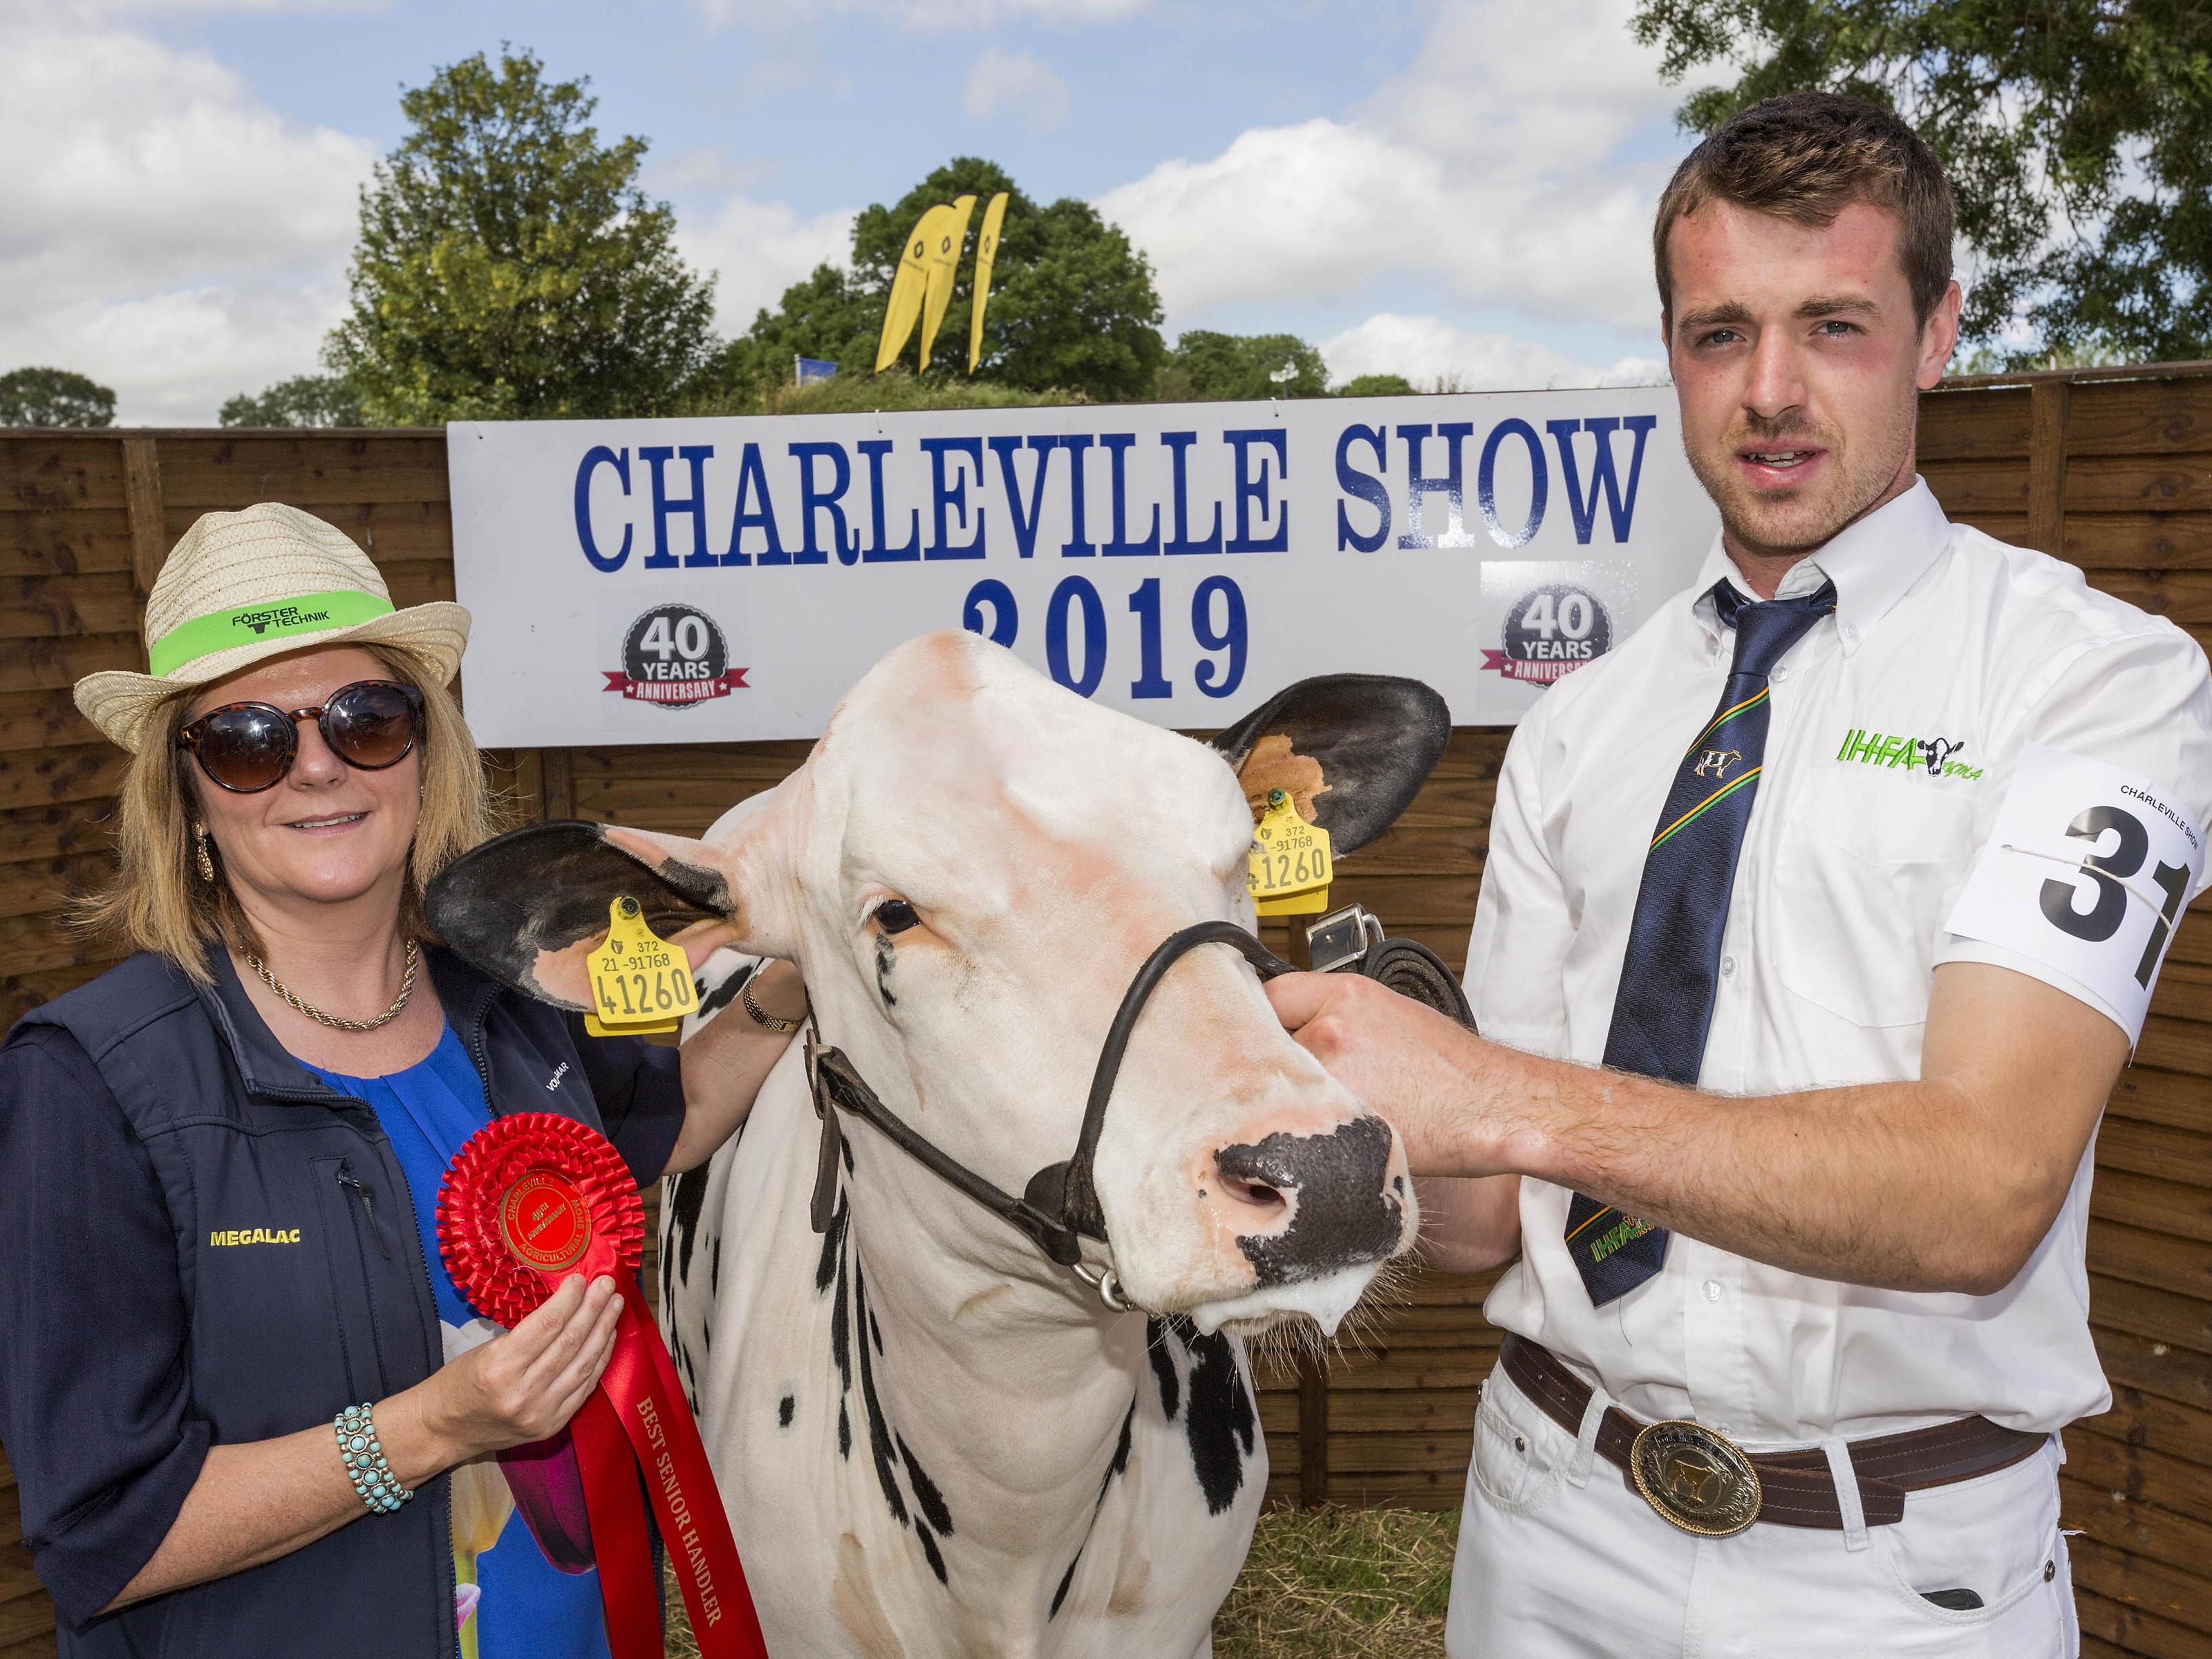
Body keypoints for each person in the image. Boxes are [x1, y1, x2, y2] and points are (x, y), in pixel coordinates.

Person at [1267, 93, 2212, 1657]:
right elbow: (1483, 1222)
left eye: (1832, 325)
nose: (1769, 391)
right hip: (1546, 1518)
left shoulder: (2096, 679)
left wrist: (1503, 1098)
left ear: (1935, 335)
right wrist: (1311, 1085)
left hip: (1896, 1581)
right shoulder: (1578, 725)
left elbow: (1986, 1188)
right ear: (1671, 351)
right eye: (1719, 335)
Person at [0, 503, 807, 1658]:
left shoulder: (513, 995)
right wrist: (429, 1430)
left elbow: (659, 1132)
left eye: (365, 719)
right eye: (248, 740)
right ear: (186, 792)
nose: (317, 766)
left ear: (426, 750)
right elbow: (103, 1536)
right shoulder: (89, 1083)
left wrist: (799, 976)